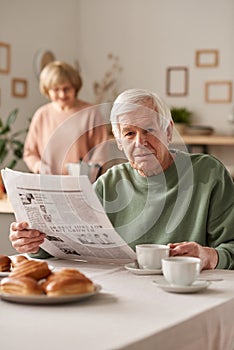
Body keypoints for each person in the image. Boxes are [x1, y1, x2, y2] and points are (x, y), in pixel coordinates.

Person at [9, 89, 234, 270]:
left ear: (168, 131)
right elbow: (65, 242)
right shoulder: (110, 183)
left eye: (149, 130)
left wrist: (209, 255)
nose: (140, 142)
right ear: (118, 142)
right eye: (129, 133)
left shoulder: (208, 173)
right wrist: (32, 242)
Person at [23, 60, 108, 177]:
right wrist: (38, 166)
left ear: (75, 88)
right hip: (47, 183)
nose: (62, 94)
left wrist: (87, 173)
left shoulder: (91, 113)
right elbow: (30, 152)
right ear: (47, 90)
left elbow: (100, 152)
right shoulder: (41, 114)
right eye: (56, 89)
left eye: (66, 89)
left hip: (81, 183)